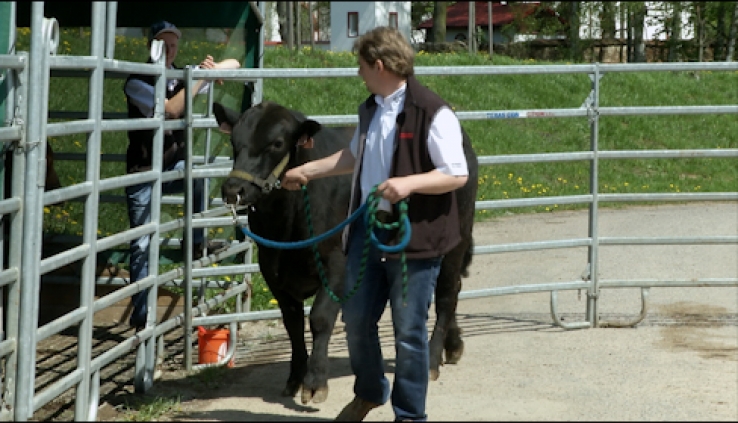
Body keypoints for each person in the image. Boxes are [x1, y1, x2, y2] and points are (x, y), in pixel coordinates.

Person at [281, 26, 469, 422]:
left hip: (413, 237)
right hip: (369, 231)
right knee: (356, 320)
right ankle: (368, 392)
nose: (359, 73)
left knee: (409, 332)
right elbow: (355, 157)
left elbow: (456, 173)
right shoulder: (371, 108)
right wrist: (308, 170)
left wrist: (409, 183)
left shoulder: (433, 112)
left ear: (379, 65)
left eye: (362, 66)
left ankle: (410, 415)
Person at [124, 20, 241, 330]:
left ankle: (196, 242)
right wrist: (200, 78)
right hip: (143, 170)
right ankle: (141, 318)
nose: (170, 51)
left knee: (198, 177)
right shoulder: (138, 80)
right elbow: (172, 110)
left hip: (172, 166)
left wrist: (210, 69)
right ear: (152, 46)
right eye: (164, 45)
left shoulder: (181, 74)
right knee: (141, 244)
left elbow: (235, 63)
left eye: (174, 45)